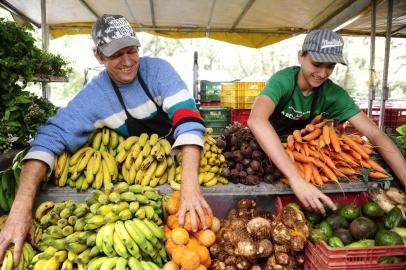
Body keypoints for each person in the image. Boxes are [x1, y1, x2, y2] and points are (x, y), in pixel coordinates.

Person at [0, 14, 211, 266]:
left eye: (131, 51)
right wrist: (21, 206)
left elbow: (187, 118)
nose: (127, 61)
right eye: (115, 55)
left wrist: (189, 185)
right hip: (139, 178)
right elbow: (49, 137)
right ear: (98, 56)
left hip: (183, 163)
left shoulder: (158, 71)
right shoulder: (95, 96)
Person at [248, 29, 406, 214]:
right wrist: (295, 178)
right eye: (317, 63)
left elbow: (374, 134)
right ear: (301, 57)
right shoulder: (283, 81)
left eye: (330, 66)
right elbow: (256, 120)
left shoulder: (333, 94)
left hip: (305, 164)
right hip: (266, 161)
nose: (323, 73)